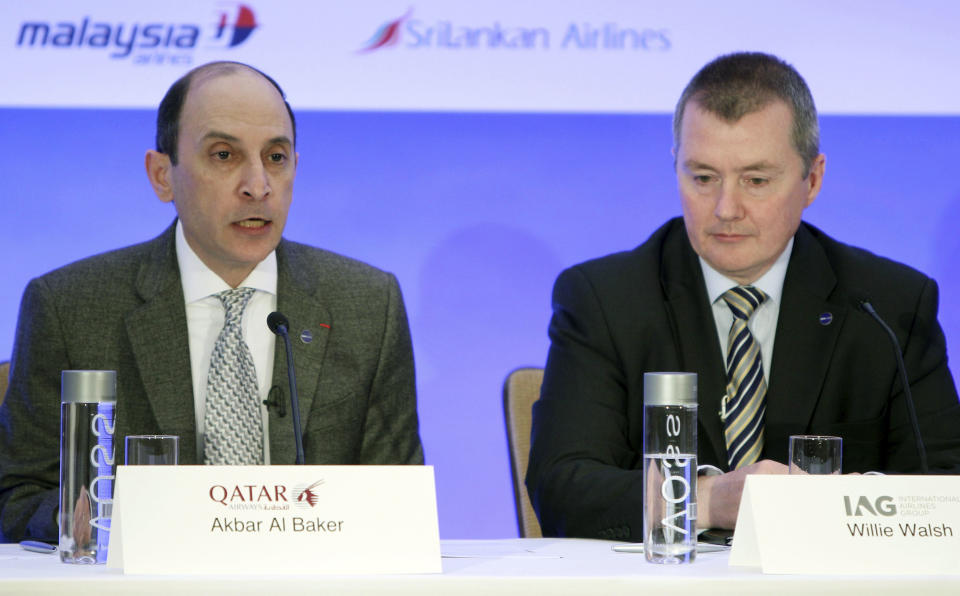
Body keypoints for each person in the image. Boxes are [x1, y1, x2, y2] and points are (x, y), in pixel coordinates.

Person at [526, 51, 960, 541]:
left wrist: (849, 507)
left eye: (755, 180)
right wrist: (708, 499)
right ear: (676, 167)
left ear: (812, 179)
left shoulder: (889, 305)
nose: (725, 208)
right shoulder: (605, 300)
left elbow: (944, 488)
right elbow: (561, 487)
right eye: (703, 177)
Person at [0, 61, 423, 542]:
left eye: (276, 158)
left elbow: (398, 502)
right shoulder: (69, 307)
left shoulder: (367, 304)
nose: (257, 185)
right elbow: (16, 495)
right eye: (224, 155)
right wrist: (102, 525)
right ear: (162, 175)